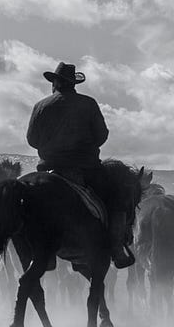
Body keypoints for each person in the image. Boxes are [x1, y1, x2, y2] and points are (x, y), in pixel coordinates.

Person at [26, 62, 134, 268]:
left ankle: (40, 253)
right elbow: (102, 135)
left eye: (53, 82)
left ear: (56, 83)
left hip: (48, 167)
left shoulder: (41, 106)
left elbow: (32, 140)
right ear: (73, 83)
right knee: (117, 197)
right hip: (85, 169)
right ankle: (117, 250)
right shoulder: (88, 104)